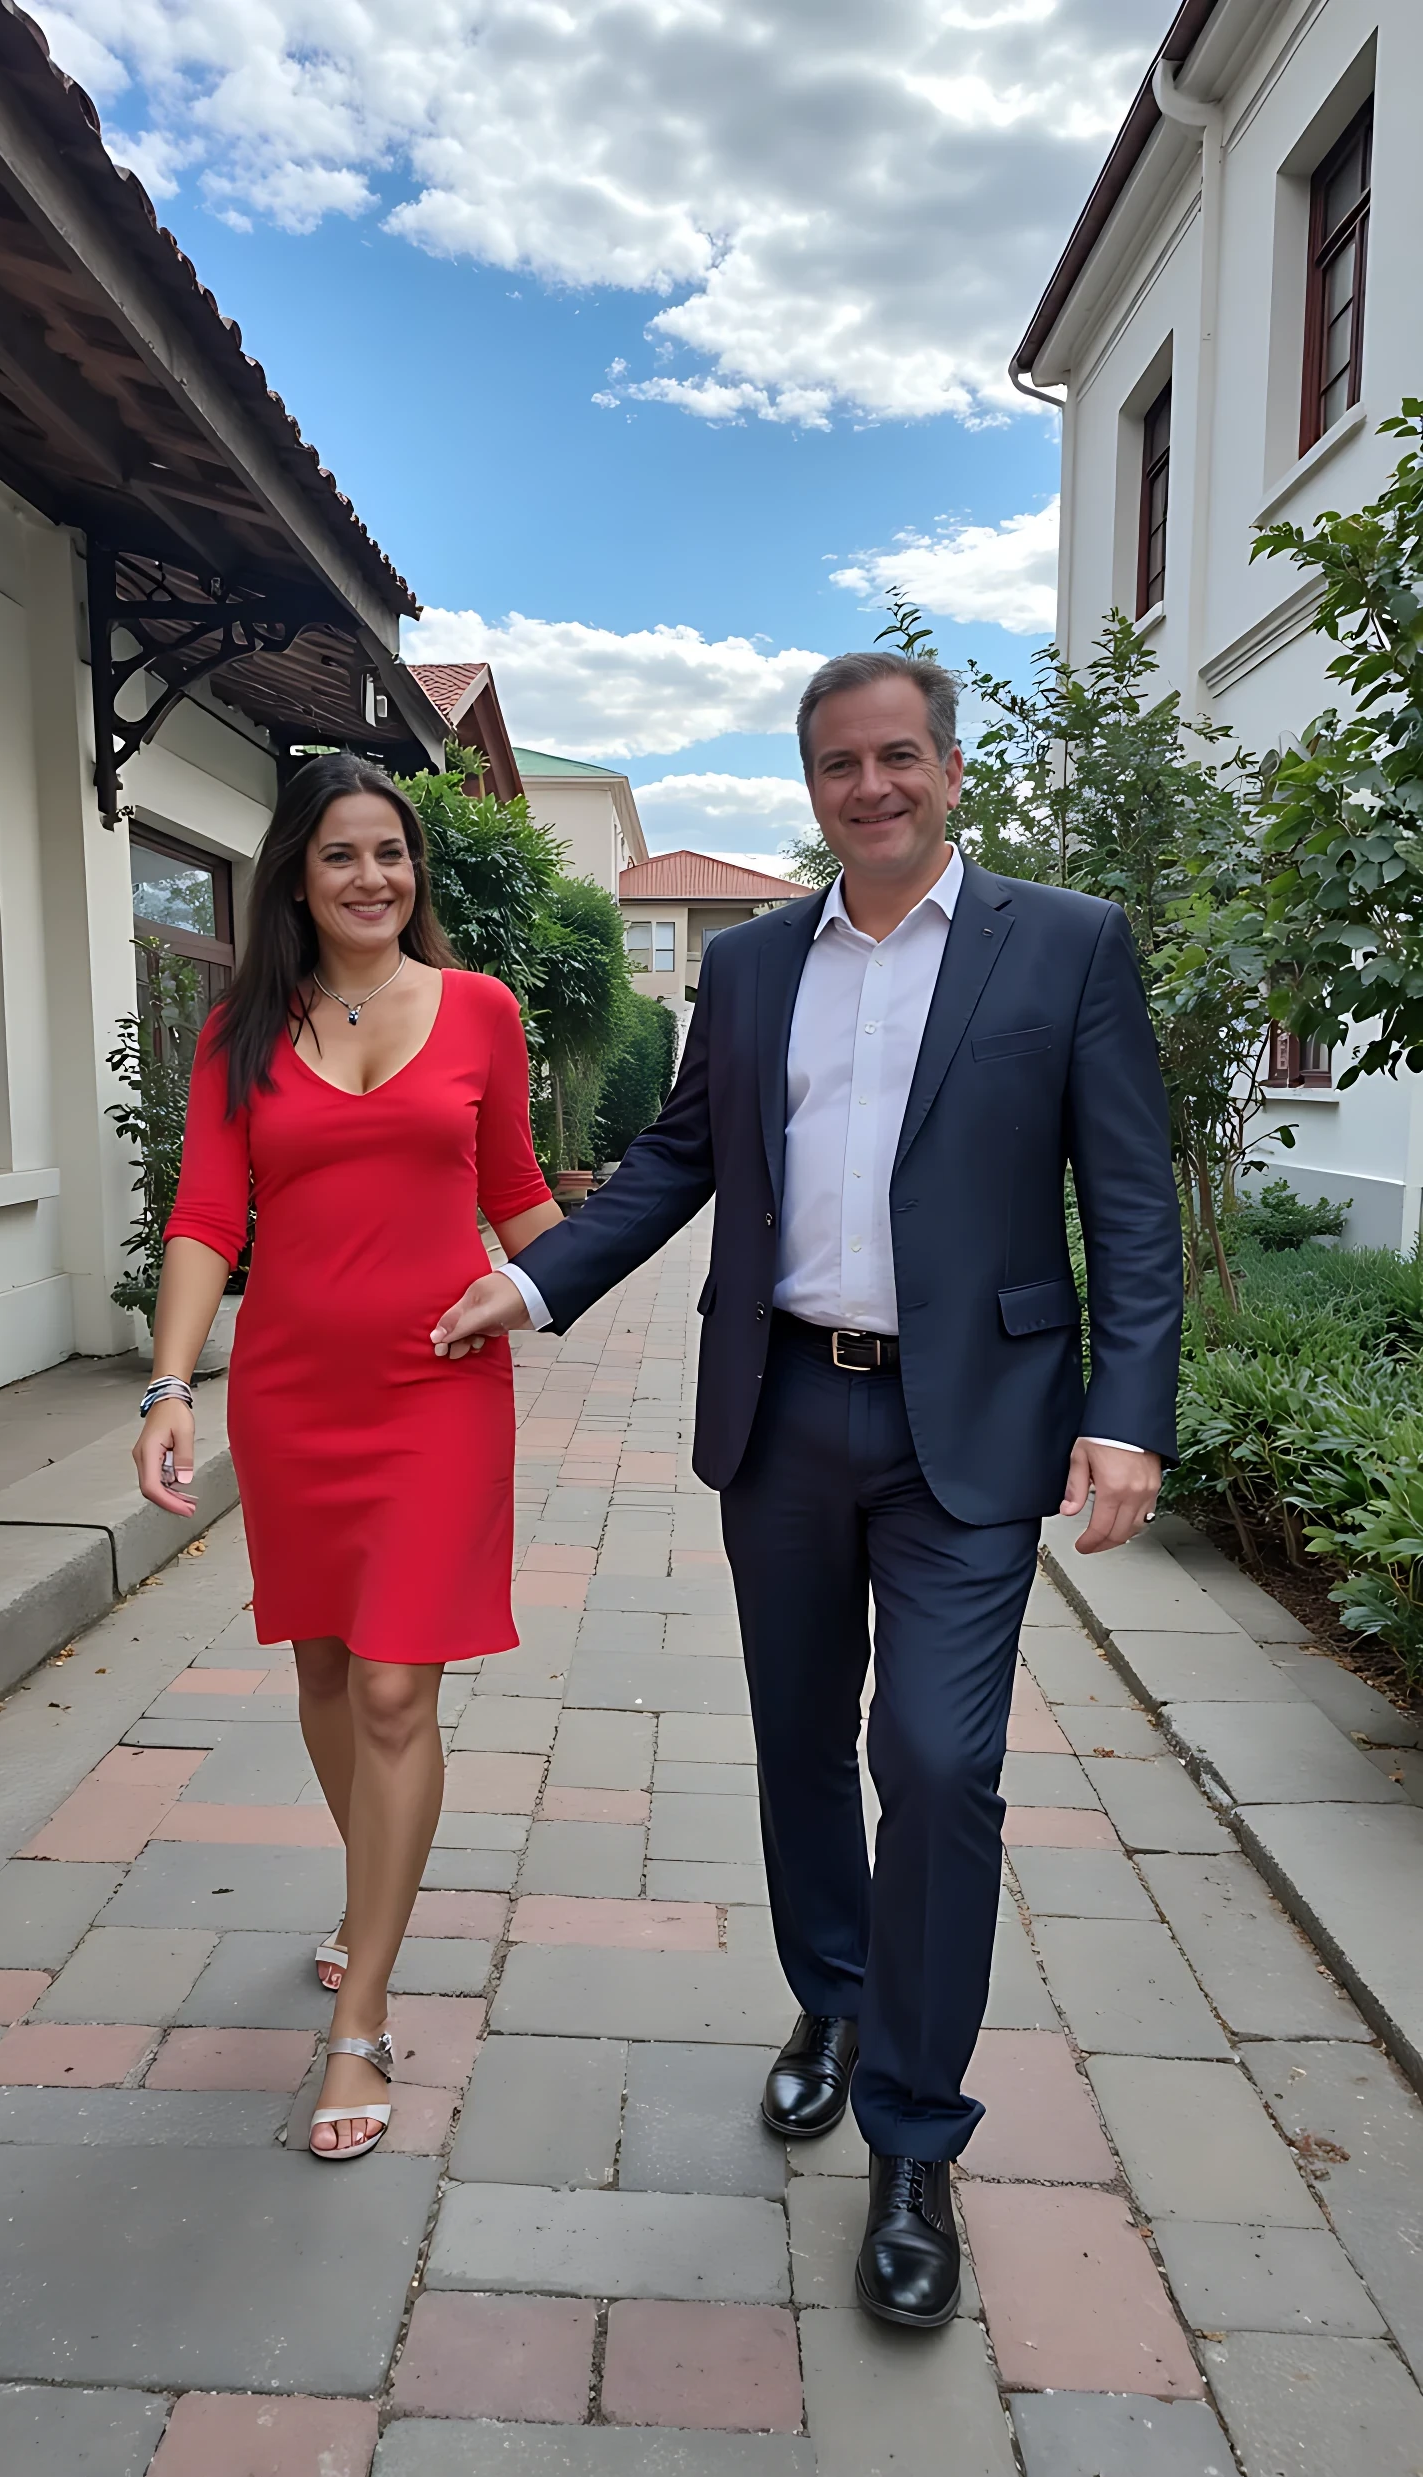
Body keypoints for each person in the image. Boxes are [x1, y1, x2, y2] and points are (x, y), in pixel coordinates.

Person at [432, 654, 1181, 2324]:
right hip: (781, 1414)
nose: (873, 786)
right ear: (812, 783)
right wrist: (538, 1281)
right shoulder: (758, 963)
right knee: (795, 1736)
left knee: (938, 1758)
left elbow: (1131, 1199)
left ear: (949, 770)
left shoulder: (1062, 945)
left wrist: (1128, 1414)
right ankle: (831, 1999)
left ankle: (916, 2138)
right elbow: (683, 1160)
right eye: (840, 763)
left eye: (899, 756)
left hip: (967, 1432)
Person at [134, 753, 559, 2160]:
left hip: (441, 1385)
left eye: (392, 852)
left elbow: (517, 1195)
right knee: (325, 1667)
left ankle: (362, 2012)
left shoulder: (483, 1012)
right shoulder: (241, 1029)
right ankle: (371, 1889)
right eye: (341, 857)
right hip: (293, 1390)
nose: (374, 877)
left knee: (392, 1686)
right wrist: (168, 1384)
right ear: (296, 881)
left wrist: (633, 1284)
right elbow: (206, 1214)